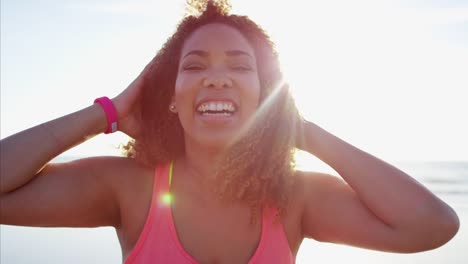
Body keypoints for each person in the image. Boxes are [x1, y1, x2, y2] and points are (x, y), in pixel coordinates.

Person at [0, 1, 459, 263]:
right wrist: (108, 112)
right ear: (172, 98)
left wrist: (303, 131)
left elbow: (431, 226)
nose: (216, 78)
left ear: (263, 96)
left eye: (240, 67)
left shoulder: (295, 197)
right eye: (194, 65)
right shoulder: (130, 188)